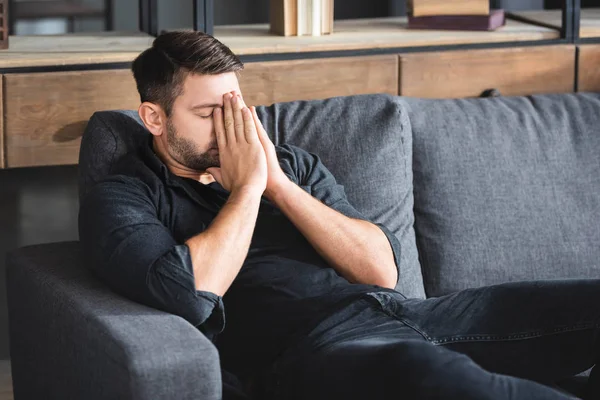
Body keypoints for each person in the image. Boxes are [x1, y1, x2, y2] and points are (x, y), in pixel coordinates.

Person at [78, 30, 600, 400]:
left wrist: (279, 185)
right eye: (210, 113)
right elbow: (191, 294)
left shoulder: (292, 167)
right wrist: (249, 189)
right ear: (154, 117)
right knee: (430, 373)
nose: (233, 125)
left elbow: (381, 272)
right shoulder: (127, 194)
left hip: (401, 313)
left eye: (237, 106)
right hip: (309, 351)